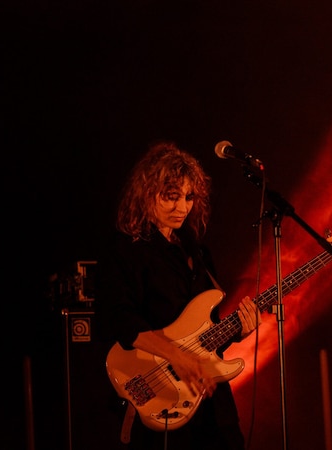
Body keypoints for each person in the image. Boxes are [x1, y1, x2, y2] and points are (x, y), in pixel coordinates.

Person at [92, 140, 260, 449]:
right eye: (171, 197)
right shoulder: (126, 250)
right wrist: (176, 356)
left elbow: (207, 325)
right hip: (162, 395)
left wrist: (238, 330)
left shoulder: (197, 250)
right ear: (147, 195)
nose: (182, 207)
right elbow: (117, 319)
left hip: (213, 403)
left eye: (189, 197)